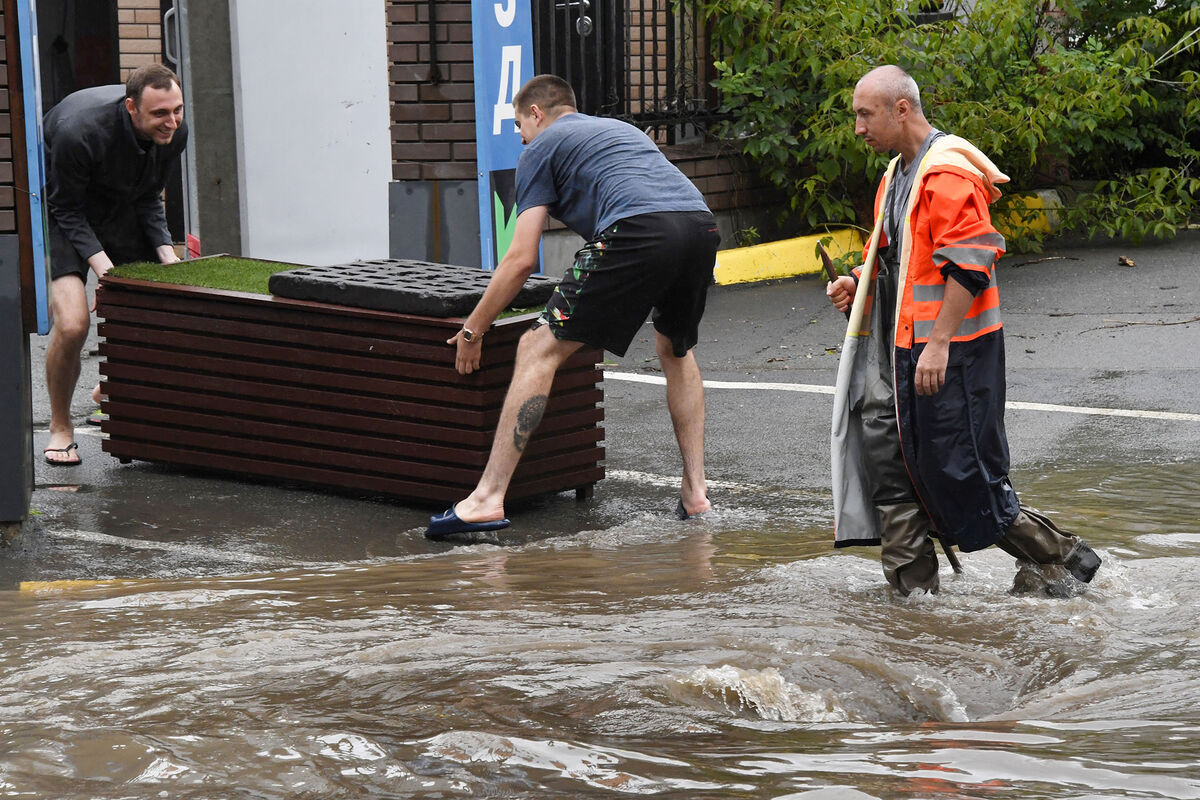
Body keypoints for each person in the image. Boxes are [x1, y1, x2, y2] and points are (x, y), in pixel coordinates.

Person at [826, 65, 1101, 596]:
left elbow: (972, 262)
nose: (858, 127)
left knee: (962, 480)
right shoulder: (895, 176)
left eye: (865, 114)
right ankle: (914, 613)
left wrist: (940, 343)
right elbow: (897, 263)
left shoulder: (946, 173)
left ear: (900, 109)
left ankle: (1067, 564)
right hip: (902, 357)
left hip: (948, 357)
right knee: (894, 477)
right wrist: (856, 283)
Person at [426, 74, 720, 540]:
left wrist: (473, 330)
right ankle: (696, 493)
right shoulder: (618, 131)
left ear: (537, 113)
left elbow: (521, 257)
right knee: (675, 350)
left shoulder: (539, 149)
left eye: (520, 123)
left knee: (536, 348)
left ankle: (485, 499)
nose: (520, 135)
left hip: (638, 230)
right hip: (701, 225)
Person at [41, 64, 187, 466]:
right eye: (160, 114)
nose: (171, 121)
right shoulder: (79, 133)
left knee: (155, 301)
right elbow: (66, 208)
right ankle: (60, 428)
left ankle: (106, 393)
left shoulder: (174, 133)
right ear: (131, 107)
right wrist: (107, 271)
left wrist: (166, 253)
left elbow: (148, 195)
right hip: (59, 206)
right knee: (72, 324)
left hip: (117, 204)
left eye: (177, 110)